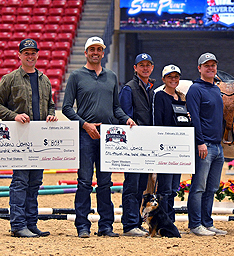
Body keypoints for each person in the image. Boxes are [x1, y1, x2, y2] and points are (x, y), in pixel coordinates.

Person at [62, 36, 136, 238]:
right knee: (84, 182)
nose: (95, 53)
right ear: (86, 52)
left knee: (105, 183)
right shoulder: (76, 76)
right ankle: (82, 226)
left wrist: (127, 119)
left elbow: (116, 107)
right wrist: (85, 125)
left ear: (103, 53)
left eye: (99, 50)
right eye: (92, 49)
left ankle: (106, 226)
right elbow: (66, 107)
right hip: (85, 134)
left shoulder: (111, 76)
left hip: (107, 136)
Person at [0, 38, 58, 238]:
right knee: (20, 181)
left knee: (35, 182)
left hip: (39, 139)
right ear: (19, 55)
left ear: (38, 55)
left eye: (33, 53)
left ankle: (31, 223)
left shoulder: (45, 80)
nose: (30, 56)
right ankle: (18, 225)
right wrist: (14, 116)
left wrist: (51, 115)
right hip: (20, 139)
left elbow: (51, 105)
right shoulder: (10, 79)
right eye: (26, 53)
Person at [186, 52, 226, 236]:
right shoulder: (195, 89)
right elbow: (194, 118)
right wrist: (200, 142)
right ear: (199, 68)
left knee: (211, 188)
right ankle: (195, 224)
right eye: (206, 65)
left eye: (213, 65)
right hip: (205, 146)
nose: (210, 68)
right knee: (198, 187)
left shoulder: (216, 89)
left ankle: (207, 222)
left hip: (217, 146)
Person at [118, 53, 156, 237]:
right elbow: (125, 116)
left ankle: (136, 222)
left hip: (146, 144)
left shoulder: (151, 90)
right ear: (135, 68)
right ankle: (129, 224)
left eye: (148, 65)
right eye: (141, 65)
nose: (145, 68)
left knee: (141, 186)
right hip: (134, 145)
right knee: (132, 185)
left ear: (152, 67)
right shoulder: (129, 88)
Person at [152, 64, 190, 228]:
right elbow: (158, 122)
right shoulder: (160, 96)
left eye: (176, 77)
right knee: (165, 189)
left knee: (173, 189)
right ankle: (164, 222)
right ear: (163, 79)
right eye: (170, 77)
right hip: (166, 147)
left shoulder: (181, 98)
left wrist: (187, 118)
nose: (173, 79)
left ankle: (170, 221)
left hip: (178, 148)